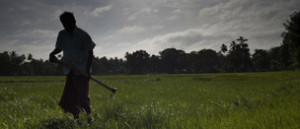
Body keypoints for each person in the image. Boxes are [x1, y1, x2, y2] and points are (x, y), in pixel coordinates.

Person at [49, 11, 96, 120]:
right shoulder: (62, 34)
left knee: (82, 95)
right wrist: (52, 54)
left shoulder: (83, 35)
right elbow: (59, 48)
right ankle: (76, 118)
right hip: (69, 69)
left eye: (68, 23)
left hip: (82, 69)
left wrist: (88, 70)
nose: (66, 26)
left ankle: (88, 117)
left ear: (74, 22)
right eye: (64, 24)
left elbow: (90, 52)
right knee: (71, 95)